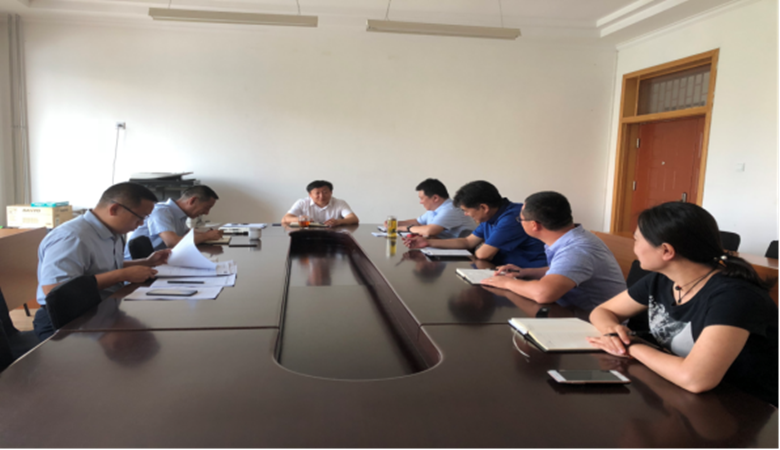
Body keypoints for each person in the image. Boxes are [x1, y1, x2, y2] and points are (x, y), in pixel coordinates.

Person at [587, 202, 778, 407]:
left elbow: (696, 379)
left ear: (666, 250)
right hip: (685, 394)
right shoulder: (662, 279)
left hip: (747, 407)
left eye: (637, 240)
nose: (635, 248)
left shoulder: (734, 297)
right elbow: (603, 311)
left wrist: (631, 345)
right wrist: (613, 331)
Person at [34, 183, 171, 341]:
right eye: (141, 217)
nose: (141, 224)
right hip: (65, 320)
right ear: (114, 209)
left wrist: (147, 262)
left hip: (102, 310)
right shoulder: (72, 237)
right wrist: (122, 275)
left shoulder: (113, 232)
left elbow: (101, 268)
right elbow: (55, 290)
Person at [481, 192, 626, 312]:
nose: (520, 222)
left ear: (534, 225)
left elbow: (543, 294)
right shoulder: (571, 237)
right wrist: (524, 272)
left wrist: (507, 283)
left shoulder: (577, 250)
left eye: (521, 219)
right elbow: (561, 271)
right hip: (571, 311)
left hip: (596, 324)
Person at [403, 181, 546, 268]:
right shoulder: (491, 215)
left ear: (484, 207)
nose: (466, 215)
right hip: (505, 270)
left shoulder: (512, 217)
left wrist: (478, 250)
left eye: (466, 211)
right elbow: (468, 241)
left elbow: (483, 254)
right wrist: (427, 242)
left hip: (529, 274)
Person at [125, 185, 222, 258]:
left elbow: (187, 233)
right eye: (206, 208)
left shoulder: (180, 214)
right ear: (193, 201)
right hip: (138, 264)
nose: (206, 213)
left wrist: (210, 234)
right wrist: (206, 236)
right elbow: (172, 242)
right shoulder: (162, 211)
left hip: (160, 260)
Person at [394, 179, 475, 239]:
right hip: (441, 247)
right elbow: (418, 222)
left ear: (435, 198)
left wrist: (405, 228)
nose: (420, 202)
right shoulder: (434, 209)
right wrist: (394, 224)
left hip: (459, 253)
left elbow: (429, 231)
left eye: (422, 198)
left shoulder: (451, 209)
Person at [282, 180, 359, 227]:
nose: (321, 196)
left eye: (325, 192)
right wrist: (300, 219)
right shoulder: (302, 202)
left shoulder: (340, 203)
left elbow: (354, 219)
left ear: (331, 192)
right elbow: (285, 219)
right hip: (308, 235)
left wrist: (338, 221)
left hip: (333, 235)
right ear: (310, 195)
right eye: (317, 193)